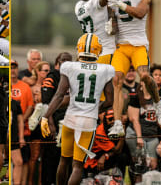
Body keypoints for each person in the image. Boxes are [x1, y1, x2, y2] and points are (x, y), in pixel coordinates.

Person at [41, 33, 115, 184]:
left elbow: (59, 95)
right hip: (88, 121)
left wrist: (45, 116)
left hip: (71, 118)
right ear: (98, 50)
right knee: (78, 166)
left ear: (79, 48)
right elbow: (110, 100)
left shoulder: (69, 66)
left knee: (64, 161)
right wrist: (96, 108)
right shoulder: (106, 69)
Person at [106, 0, 160, 138]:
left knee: (144, 76)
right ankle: (116, 123)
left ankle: (158, 104)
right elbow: (114, 22)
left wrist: (120, 5)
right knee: (116, 80)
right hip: (121, 45)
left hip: (138, 45)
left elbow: (141, 12)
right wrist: (110, 25)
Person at [41, 52, 72, 185]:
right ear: (57, 62)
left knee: (67, 159)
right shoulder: (52, 77)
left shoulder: (74, 76)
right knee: (51, 160)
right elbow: (46, 103)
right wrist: (51, 124)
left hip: (69, 122)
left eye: (68, 60)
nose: (65, 62)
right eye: (63, 60)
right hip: (54, 122)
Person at [11, 59, 34, 184]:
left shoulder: (25, 86)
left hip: (23, 129)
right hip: (8, 130)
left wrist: (21, 120)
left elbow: (30, 106)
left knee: (24, 160)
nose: (12, 70)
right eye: (9, 67)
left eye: (14, 67)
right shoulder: (5, 87)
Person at [84, 109, 126, 175]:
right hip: (94, 160)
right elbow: (117, 150)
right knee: (121, 156)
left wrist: (105, 155)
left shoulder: (115, 127)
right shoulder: (100, 133)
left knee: (124, 154)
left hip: (106, 154)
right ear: (105, 120)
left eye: (115, 119)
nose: (113, 121)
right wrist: (123, 133)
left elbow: (118, 149)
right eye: (110, 119)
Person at [10, 99, 26, 185]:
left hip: (13, 136)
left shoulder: (15, 103)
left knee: (18, 161)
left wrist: (21, 137)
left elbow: (20, 121)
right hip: (3, 134)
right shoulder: (2, 101)